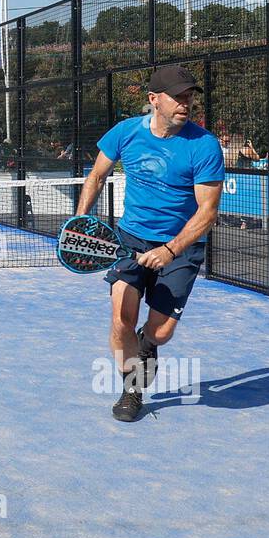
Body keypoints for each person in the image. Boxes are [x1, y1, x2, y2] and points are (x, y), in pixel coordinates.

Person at [72, 65, 224, 423]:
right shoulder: (125, 133)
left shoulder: (204, 145)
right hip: (130, 239)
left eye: (189, 97)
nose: (186, 103)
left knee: (160, 332)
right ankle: (132, 389)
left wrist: (170, 250)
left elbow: (207, 212)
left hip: (181, 247)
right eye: (178, 97)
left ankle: (148, 345)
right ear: (154, 100)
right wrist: (80, 223)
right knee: (121, 317)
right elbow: (96, 176)